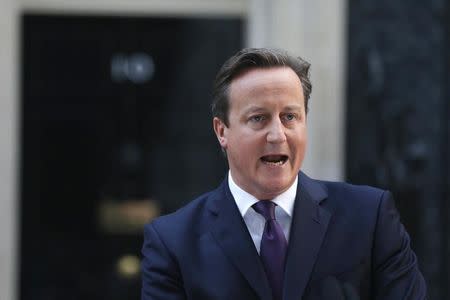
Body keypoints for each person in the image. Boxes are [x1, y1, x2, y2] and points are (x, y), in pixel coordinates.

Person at [141, 48, 427, 300]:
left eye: (290, 117)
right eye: (258, 118)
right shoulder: (173, 241)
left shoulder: (370, 218)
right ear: (222, 131)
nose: (277, 135)